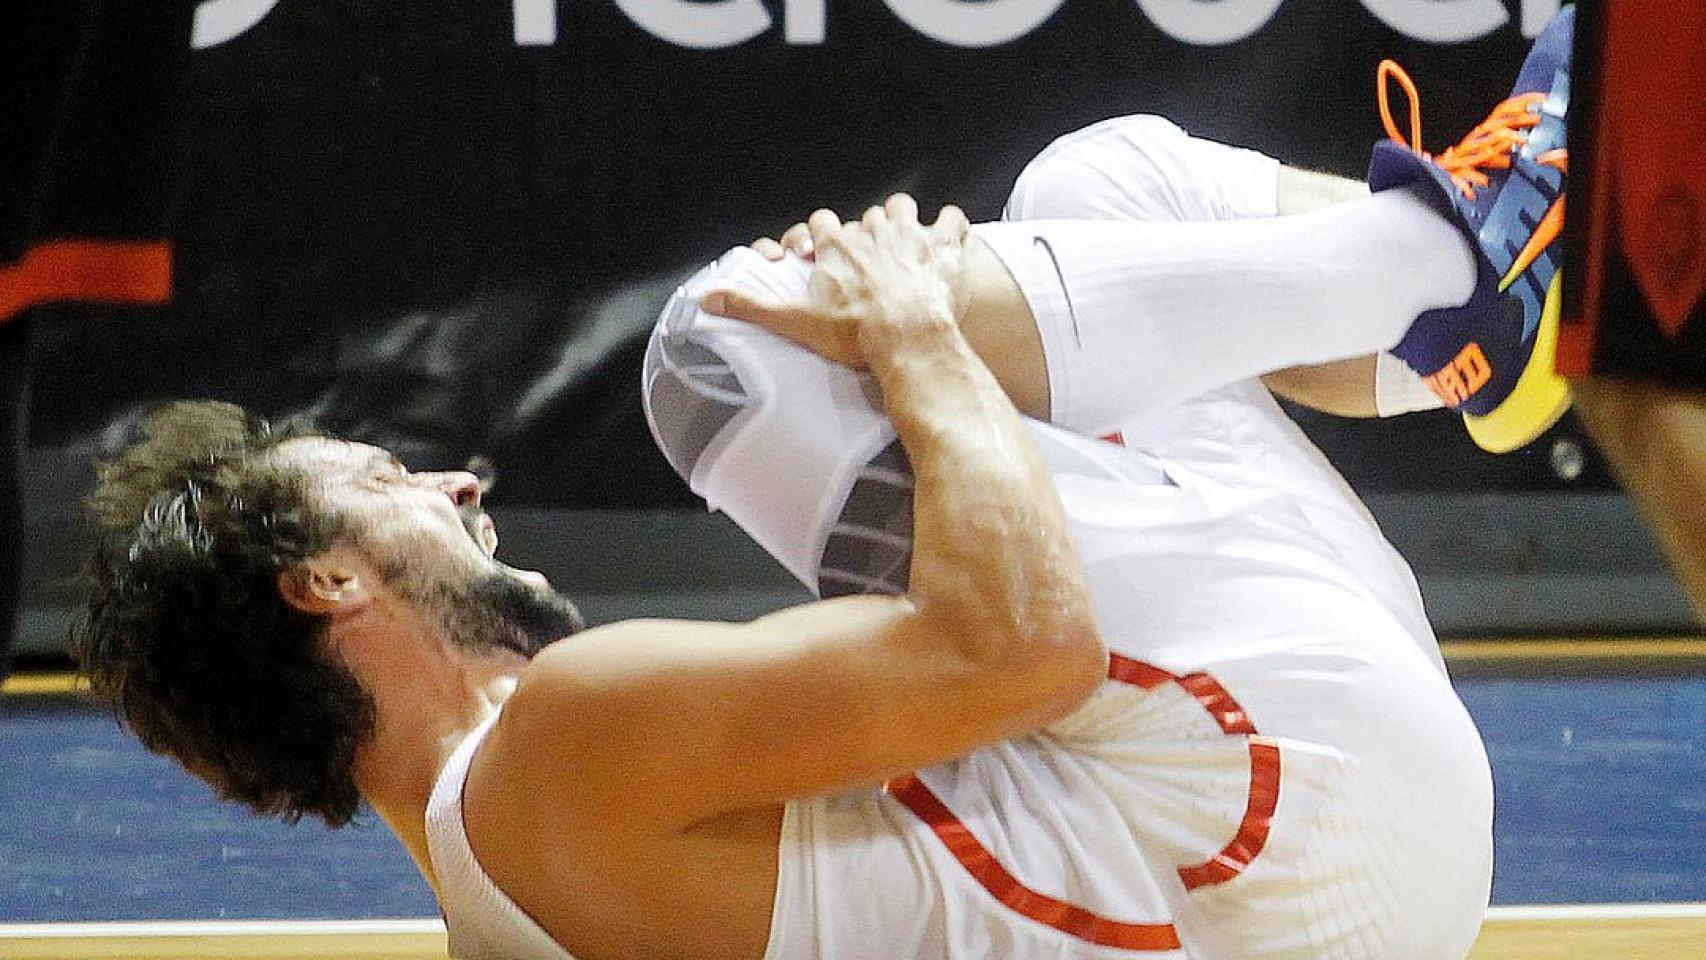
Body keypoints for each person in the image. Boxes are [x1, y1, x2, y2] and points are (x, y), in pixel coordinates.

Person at [74, 13, 1585, 960]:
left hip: (1311, 842)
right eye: (387, 479)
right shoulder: (553, 751)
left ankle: (1463, 325)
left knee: (1110, 186)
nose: (458, 480)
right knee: (721, 345)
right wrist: (918, 339)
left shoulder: (503, 890)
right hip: (1279, 814)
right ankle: (1454, 262)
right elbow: (1023, 647)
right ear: (325, 583)